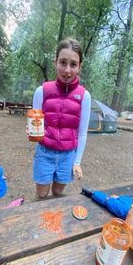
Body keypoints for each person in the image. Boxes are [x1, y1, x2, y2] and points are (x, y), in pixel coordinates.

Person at [32, 37, 91, 198]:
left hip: (68, 156)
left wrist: (77, 162)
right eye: (63, 62)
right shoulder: (41, 91)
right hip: (44, 152)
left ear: (79, 66)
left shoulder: (84, 96)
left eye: (73, 64)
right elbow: (35, 123)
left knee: (58, 193)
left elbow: (82, 133)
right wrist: (33, 131)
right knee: (42, 195)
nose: (67, 70)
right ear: (55, 62)